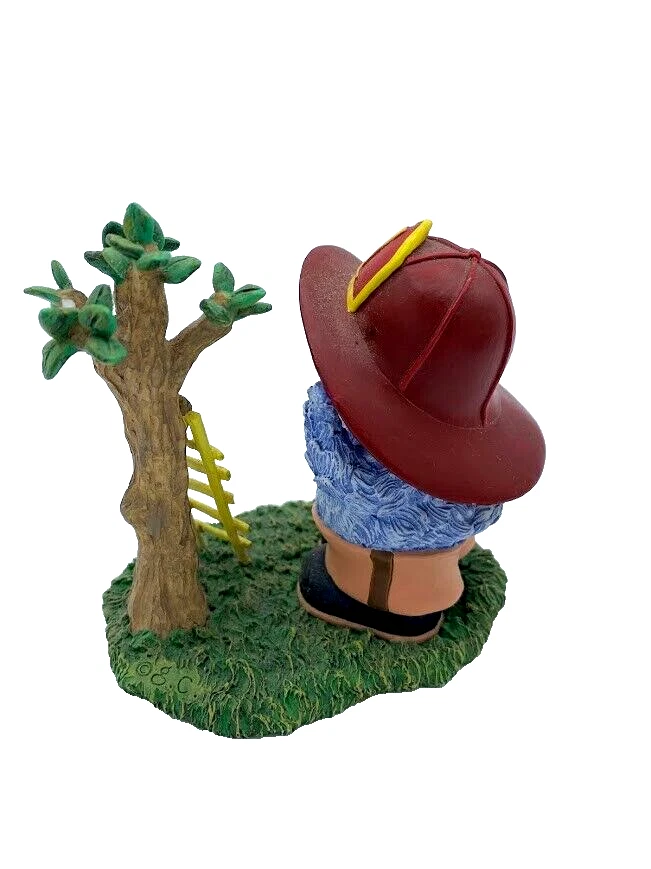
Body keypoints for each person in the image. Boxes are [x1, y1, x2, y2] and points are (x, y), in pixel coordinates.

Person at [298, 220, 545, 642]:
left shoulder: (368, 481)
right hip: (432, 545)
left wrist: (327, 417)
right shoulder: (465, 490)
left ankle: (379, 605)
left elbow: (344, 471)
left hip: (387, 568)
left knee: (374, 563)